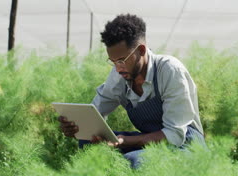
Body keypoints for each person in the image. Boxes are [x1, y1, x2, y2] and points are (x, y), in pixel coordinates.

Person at [58, 14, 205, 168]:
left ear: (141, 50)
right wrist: (78, 127)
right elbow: (96, 113)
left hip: (186, 145)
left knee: (136, 160)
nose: (118, 68)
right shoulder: (119, 74)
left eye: (122, 60)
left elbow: (174, 135)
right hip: (151, 142)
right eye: (113, 62)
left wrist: (125, 141)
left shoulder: (170, 70)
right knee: (89, 143)